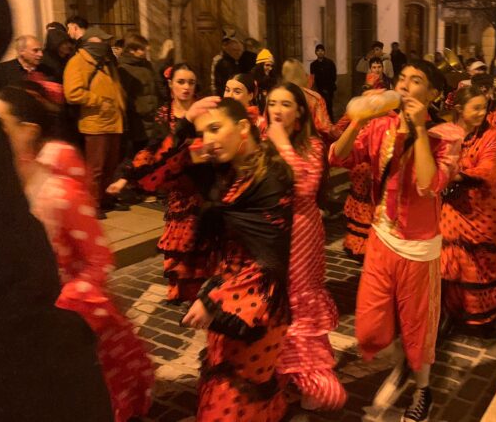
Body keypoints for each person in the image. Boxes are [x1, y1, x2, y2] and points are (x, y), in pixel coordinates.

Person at [0, 0, 113, 422]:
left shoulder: (52, 186)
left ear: (27, 130)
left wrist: (67, 314)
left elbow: (96, 259)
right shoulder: (4, 181)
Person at [0, 83, 154, 422]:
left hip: (68, 324)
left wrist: (68, 304)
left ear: (27, 132)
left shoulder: (58, 192)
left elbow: (99, 258)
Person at [330, 60, 461, 422]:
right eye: (401, 78)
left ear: (432, 94)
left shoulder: (446, 135)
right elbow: (338, 157)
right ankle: (404, 357)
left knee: (418, 327)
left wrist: (418, 130)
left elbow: (428, 185)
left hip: (418, 249)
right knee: (370, 328)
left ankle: (422, 387)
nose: (404, 85)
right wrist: (357, 119)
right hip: (381, 238)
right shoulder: (381, 126)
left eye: (415, 81)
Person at [179, 97, 294, 422]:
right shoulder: (225, 164)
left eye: (216, 129)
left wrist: (213, 300)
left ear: (243, 126)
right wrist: (186, 122)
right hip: (226, 298)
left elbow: (269, 263)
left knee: (233, 404)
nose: (209, 141)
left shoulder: (272, 178)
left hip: (255, 307)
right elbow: (168, 167)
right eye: (205, 133)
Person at [264, 83, 347, 411]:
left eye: (286, 103)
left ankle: (314, 381)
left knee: (298, 305)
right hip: (271, 234)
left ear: (300, 111)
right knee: (273, 302)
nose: (278, 109)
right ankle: (282, 374)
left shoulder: (310, 143)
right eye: (272, 103)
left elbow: (305, 186)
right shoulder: (263, 141)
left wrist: (282, 143)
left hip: (300, 235)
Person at [107, 63, 210, 304]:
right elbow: (153, 149)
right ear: (170, 85)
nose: (185, 87)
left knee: (202, 241)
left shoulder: (205, 110)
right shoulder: (164, 114)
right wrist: (125, 177)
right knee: (180, 243)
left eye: (190, 82)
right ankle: (184, 292)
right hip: (177, 188)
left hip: (204, 184)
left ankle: (204, 294)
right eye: (180, 82)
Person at [440, 83, 496, 339]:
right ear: (459, 109)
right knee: (449, 262)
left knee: (480, 265)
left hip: (483, 211)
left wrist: (456, 175)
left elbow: (490, 169)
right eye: (476, 108)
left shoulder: (490, 135)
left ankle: (484, 318)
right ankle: (451, 313)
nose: (482, 113)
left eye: (484, 107)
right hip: (452, 209)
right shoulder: (445, 132)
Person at [63, 26, 126, 217]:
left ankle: (105, 198)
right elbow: (72, 93)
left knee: (110, 165)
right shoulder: (77, 62)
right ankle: (92, 204)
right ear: (91, 42)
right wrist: (99, 102)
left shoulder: (106, 62)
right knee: (95, 168)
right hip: (95, 123)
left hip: (113, 121)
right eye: (102, 41)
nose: (106, 45)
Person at [117, 34, 161, 158]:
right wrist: (140, 109)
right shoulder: (124, 69)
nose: (145, 52)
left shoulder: (146, 65)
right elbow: (125, 96)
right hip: (138, 122)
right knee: (139, 156)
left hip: (153, 119)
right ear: (131, 50)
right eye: (142, 49)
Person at [282, 58, 340, 143]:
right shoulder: (313, 98)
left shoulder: (275, 95)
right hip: (307, 147)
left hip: (281, 145)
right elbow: (324, 127)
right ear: (302, 74)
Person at [310, 44, 338, 120]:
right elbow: (312, 77)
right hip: (319, 89)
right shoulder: (313, 65)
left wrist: (328, 87)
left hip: (329, 89)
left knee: (329, 107)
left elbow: (333, 76)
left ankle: (331, 123)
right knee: (320, 108)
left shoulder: (330, 63)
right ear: (316, 52)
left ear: (324, 52)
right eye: (318, 51)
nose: (320, 52)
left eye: (322, 50)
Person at [251, 48, 276, 112]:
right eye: (267, 65)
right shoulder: (252, 81)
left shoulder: (272, 80)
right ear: (260, 65)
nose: (270, 68)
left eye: (271, 66)